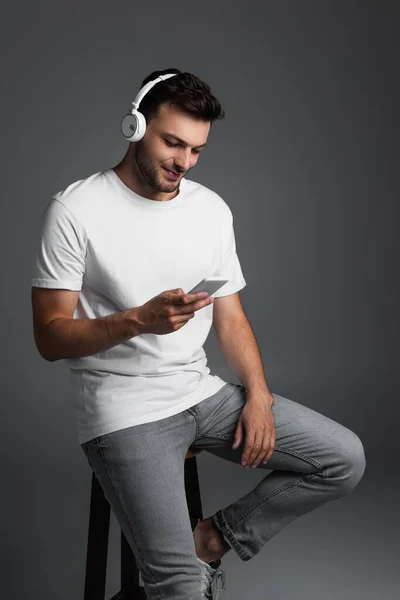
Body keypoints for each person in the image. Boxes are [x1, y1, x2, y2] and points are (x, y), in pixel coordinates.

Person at [31, 68, 366, 600]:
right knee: (181, 590)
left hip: (200, 394)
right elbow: (49, 338)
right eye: (172, 143)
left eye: (196, 150)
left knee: (343, 458)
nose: (183, 162)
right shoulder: (75, 210)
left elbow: (230, 317)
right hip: (125, 410)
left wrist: (258, 396)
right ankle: (186, 572)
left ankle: (209, 540)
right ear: (135, 126)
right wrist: (138, 320)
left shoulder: (209, 209)